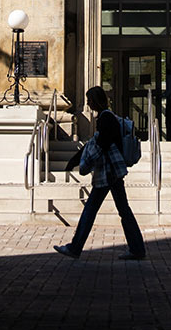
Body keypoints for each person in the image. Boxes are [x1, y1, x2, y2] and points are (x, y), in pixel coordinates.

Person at [53, 86, 146, 261]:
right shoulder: (106, 117)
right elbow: (96, 143)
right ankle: (137, 248)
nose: (87, 103)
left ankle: (75, 247)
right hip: (112, 172)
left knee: (92, 209)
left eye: (89, 100)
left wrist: (83, 163)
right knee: (121, 209)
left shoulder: (105, 118)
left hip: (109, 172)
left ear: (96, 100)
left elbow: (100, 144)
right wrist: (75, 161)